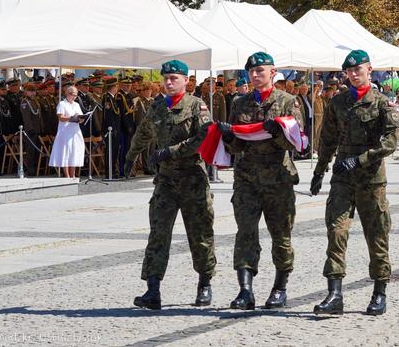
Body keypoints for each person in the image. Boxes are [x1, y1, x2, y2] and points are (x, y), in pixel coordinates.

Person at [310, 49, 399, 316]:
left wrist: (359, 160)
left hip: (371, 180)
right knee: (336, 231)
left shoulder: (382, 103)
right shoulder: (338, 103)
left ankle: (379, 292)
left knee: (377, 235)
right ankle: (334, 294)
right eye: (349, 72)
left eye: (357, 70)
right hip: (342, 179)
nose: (353, 75)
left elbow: (390, 143)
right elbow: (327, 139)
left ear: (369, 70)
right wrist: (319, 170)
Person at [126, 60, 215, 310]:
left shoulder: (197, 106)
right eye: (165, 78)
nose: (168, 82)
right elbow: (144, 132)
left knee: (200, 234)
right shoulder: (157, 106)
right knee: (158, 234)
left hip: (192, 179)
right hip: (165, 181)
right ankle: (152, 290)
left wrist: (171, 151)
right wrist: (131, 156)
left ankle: (205, 284)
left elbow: (204, 137)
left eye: (174, 78)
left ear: (186, 81)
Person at [218, 52, 303, 310]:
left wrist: (278, 133)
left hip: (277, 178)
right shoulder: (240, 103)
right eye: (251, 72)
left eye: (260, 71)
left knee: (281, 235)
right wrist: (227, 136)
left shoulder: (288, 101)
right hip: (246, 179)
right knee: (245, 233)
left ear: (272, 72)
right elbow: (235, 148)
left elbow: (297, 143)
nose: (255, 75)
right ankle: (245, 290)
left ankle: (280, 287)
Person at [49, 85, 86, 178]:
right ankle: (67, 175)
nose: (74, 97)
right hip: (65, 131)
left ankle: (73, 174)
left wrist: (81, 119)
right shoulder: (62, 104)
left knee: (74, 152)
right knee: (65, 152)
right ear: (67, 94)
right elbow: (61, 117)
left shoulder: (76, 104)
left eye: (75, 95)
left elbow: (81, 117)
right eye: (72, 95)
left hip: (75, 131)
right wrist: (71, 117)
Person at [20, 83, 42, 176]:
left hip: (37, 129)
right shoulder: (25, 102)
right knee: (30, 151)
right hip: (30, 130)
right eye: (30, 91)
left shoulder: (35, 101)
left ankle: (36, 167)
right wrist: (30, 129)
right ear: (25, 92)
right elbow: (26, 118)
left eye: (34, 91)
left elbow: (39, 116)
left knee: (37, 150)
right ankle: (30, 169)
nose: (33, 93)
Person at [102, 78, 122, 179]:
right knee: (110, 151)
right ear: (113, 87)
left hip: (116, 129)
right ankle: (109, 172)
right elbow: (108, 116)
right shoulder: (107, 98)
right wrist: (112, 128)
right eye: (116, 86)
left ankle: (113, 170)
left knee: (115, 151)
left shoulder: (113, 98)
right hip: (110, 129)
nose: (117, 88)